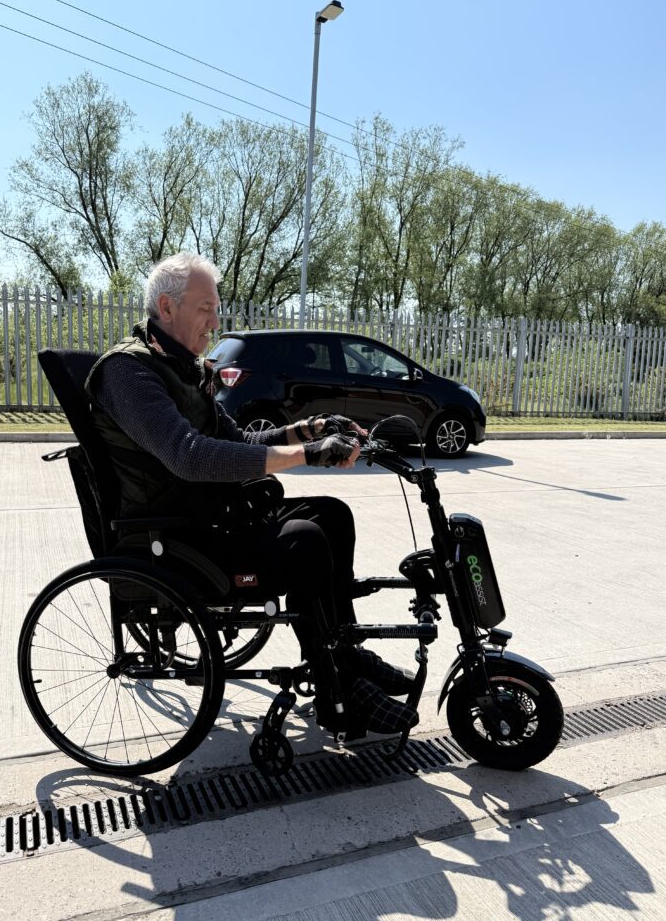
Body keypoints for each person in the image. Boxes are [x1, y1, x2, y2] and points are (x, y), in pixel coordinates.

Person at [85, 252, 417, 735]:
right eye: (206, 309)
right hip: (174, 536)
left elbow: (238, 440)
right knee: (304, 541)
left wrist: (310, 429)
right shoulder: (127, 373)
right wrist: (307, 455)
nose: (215, 322)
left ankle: (344, 652)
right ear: (167, 307)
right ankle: (337, 690)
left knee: (332, 515)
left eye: (216, 309)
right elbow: (190, 456)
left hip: (211, 514)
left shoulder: (183, 368)